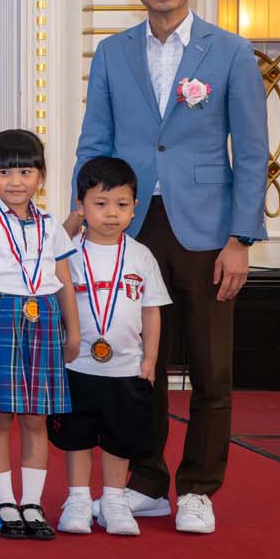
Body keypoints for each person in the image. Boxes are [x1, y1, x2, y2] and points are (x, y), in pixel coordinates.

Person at [72, 0, 266, 535]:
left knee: (211, 369)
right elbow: (94, 142)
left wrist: (241, 239)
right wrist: (81, 218)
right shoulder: (113, 52)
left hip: (207, 231)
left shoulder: (231, 51)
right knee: (138, 364)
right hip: (128, 228)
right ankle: (147, 481)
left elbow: (251, 153)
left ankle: (199, 488)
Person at [0, 128, 81, 540]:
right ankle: (4, 502)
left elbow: (63, 279)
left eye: (25, 172)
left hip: (44, 318)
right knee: (0, 416)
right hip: (1, 317)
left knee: (36, 418)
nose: (15, 181)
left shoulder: (50, 224)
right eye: (5, 173)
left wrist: (74, 330)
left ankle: (31, 503)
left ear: (41, 176)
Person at [50, 157, 170, 537]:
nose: (112, 214)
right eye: (100, 204)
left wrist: (150, 358)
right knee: (78, 436)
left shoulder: (141, 256)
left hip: (126, 367)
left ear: (135, 208)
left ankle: (115, 500)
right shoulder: (67, 253)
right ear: (81, 206)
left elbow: (151, 310)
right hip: (78, 364)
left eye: (121, 204)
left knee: (120, 437)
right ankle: (78, 498)